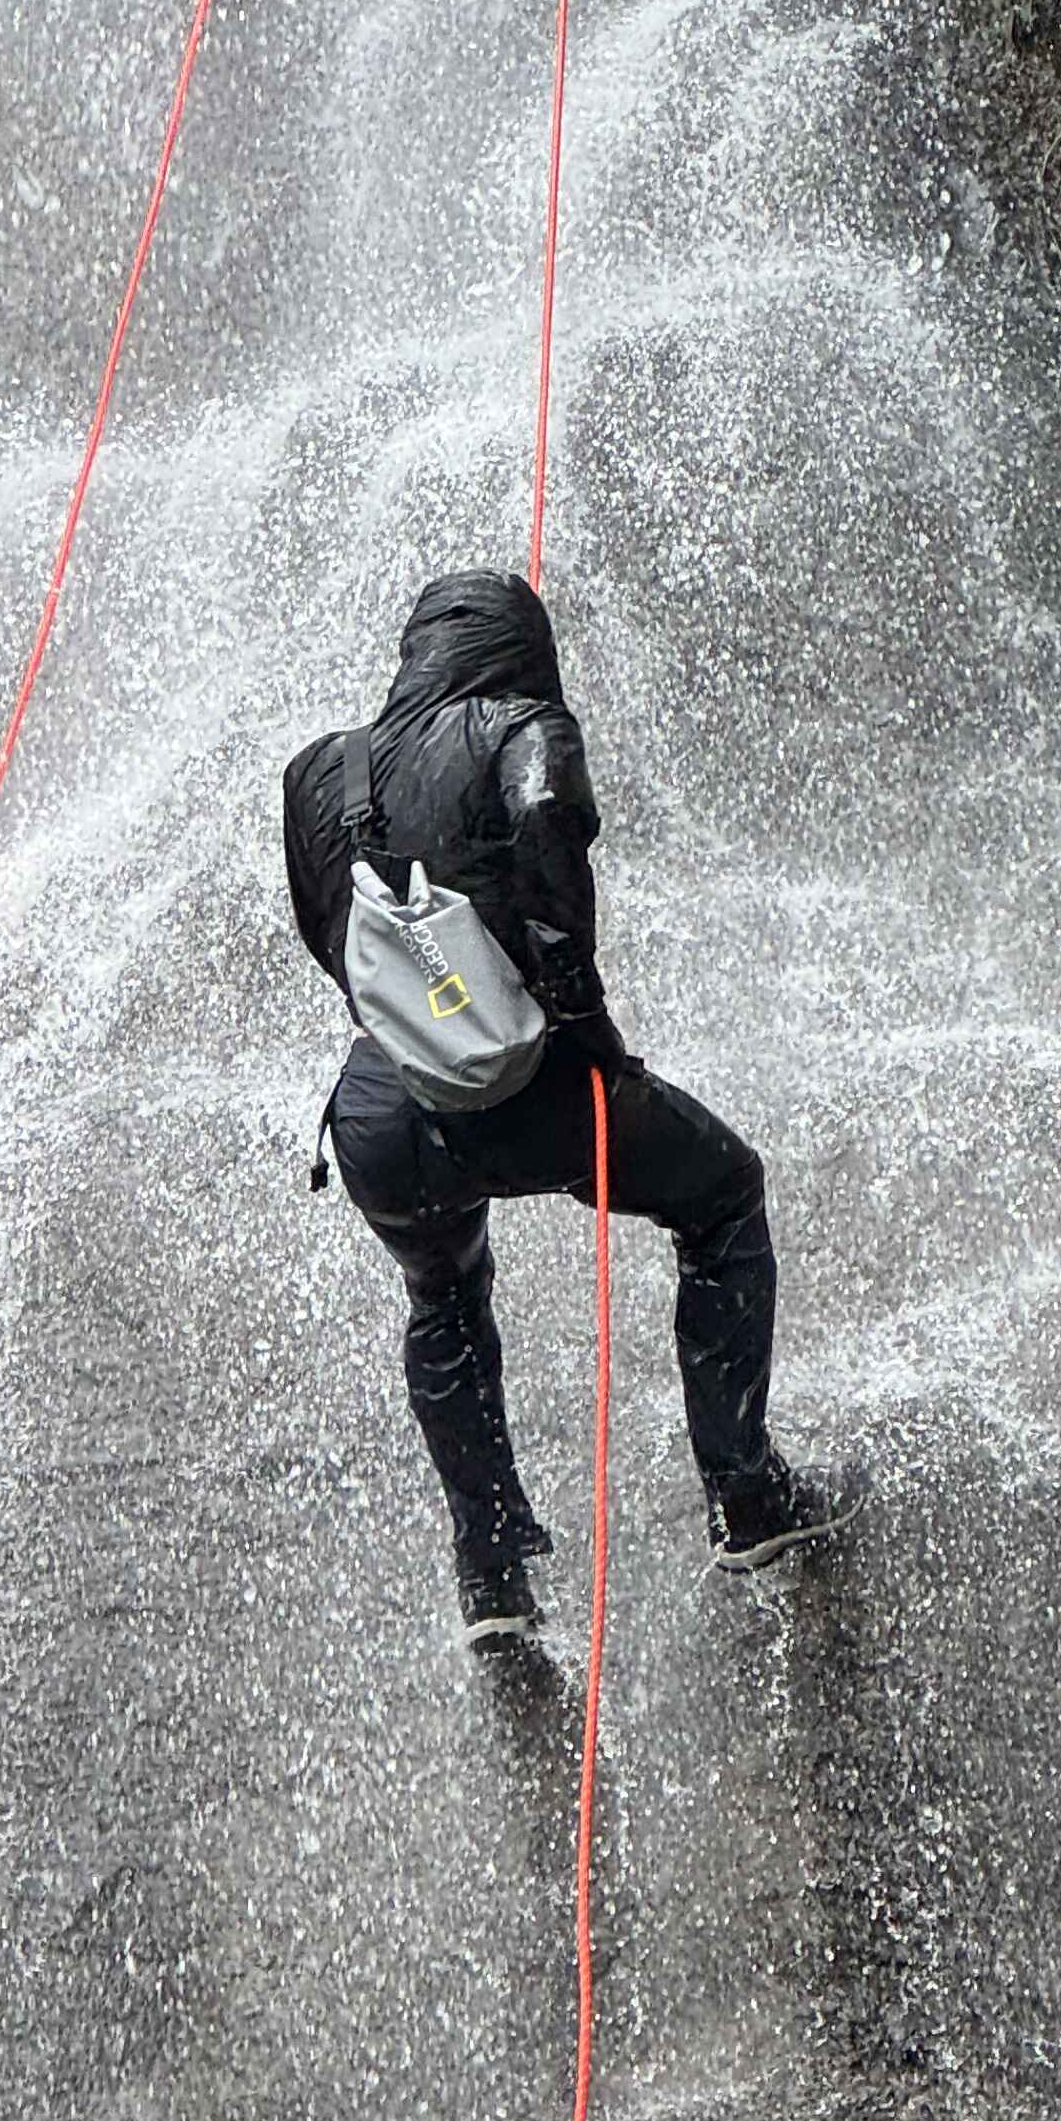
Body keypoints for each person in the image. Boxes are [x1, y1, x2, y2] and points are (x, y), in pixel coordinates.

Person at [286, 567, 859, 1644]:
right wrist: (580, 1026)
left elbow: (335, 941)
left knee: (443, 1293)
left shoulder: (319, 772)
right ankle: (747, 1498)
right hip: (532, 1088)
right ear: (521, 648)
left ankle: (491, 1575)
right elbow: (547, 836)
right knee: (724, 1196)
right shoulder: (523, 723)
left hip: (380, 1110)